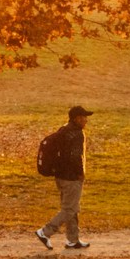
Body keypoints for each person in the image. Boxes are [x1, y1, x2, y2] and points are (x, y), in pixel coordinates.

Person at [36, 106, 94, 250]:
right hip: (71, 178)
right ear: (76, 118)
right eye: (83, 117)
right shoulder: (77, 134)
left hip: (60, 176)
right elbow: (75, 157)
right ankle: (45, 232)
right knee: (69, 209)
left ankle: (73, 240)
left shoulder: (64, 130)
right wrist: (81, 173)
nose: (86, 120)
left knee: (72, 208)